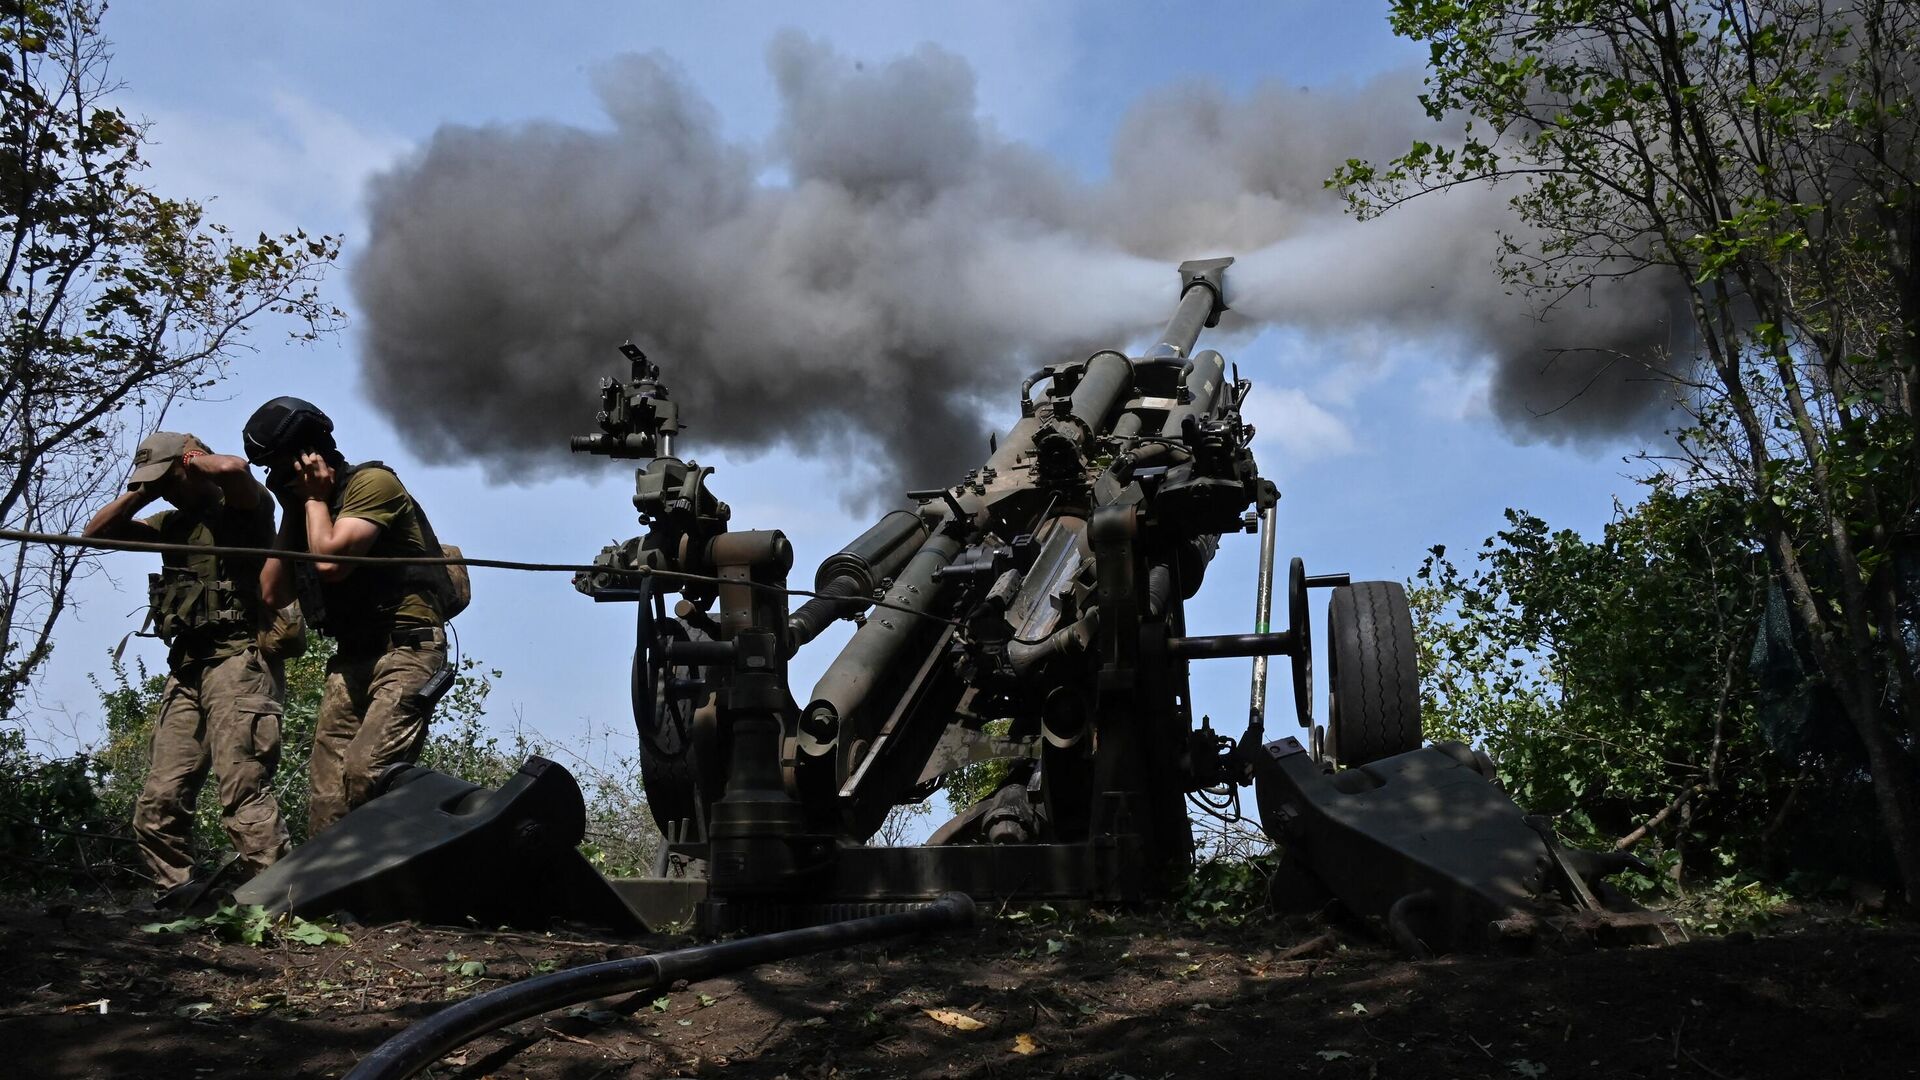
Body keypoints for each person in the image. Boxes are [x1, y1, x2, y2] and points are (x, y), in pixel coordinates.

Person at [83, 432, 293, 901]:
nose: (166, 490)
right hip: (188, 669)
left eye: (170, 478)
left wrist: (194, 463)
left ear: (191, 464)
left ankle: (283, 903)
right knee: (159, 800)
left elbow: (237, 471)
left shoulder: (244, 512)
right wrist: (146, 488)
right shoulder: (170, 523)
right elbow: (95, 535)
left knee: (242, 791)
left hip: (239, 663)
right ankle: (179, 895)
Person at [247, 397, 453, 834]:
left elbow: (331, 564)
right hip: (353, 656)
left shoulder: (372, 484)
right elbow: (271, 592)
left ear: (310, 457)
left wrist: (315, 499)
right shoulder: (305, 509)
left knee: (368, 772)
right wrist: (294, 509)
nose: (276, 478)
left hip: (407, 649)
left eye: (281, 466)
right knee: (328, 795)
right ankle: (342, 899)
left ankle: (450, 829)